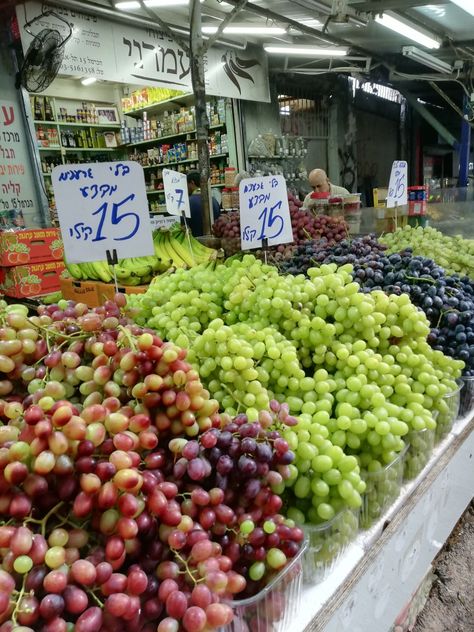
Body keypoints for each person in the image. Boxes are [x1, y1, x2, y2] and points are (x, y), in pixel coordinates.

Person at [187, 171, 221, 236]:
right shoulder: (214, 200)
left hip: (195, 243)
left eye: (187, 184)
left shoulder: (188, 202)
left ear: (192, 182)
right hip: (214, 241)